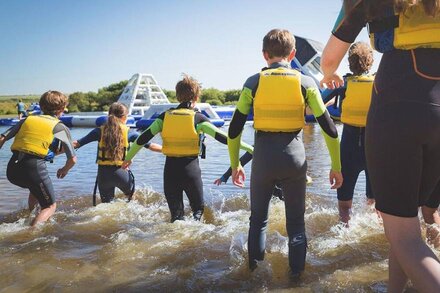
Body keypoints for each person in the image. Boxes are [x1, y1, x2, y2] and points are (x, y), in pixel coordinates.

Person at [320, 0, 440, 291]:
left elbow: (329, 60)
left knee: (403, 236)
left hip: (398, 99)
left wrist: (329, 74)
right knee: (404, 224)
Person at [228, 29, 342, 278]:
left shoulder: (253, 82)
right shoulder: (306, 82)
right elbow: (330, 130)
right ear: (293, 54)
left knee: (258, 221)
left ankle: (254, 276)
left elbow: (234, 130)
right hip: (295, 158)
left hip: (263, 160)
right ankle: (297, 278)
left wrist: (235, 164)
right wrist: (336, 165)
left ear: (264, 55)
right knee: (297, 224)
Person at [122, 75, 253, 222]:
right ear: (196, 97)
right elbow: (226, 139)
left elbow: (142, 138)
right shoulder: (198, 118)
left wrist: (128, 158)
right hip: (191, 171)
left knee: (176, 217)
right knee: (198, 211)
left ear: (178, 96)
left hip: (170, 171)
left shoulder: (164, 117)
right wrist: (250, 148)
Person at [0, 91, 76, 226]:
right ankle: (30, 234)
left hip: (12, 170)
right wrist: (65, 169)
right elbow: (72, 160)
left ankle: (32, 217)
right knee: (50, 206)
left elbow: (2, 138)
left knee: (35, 189)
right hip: (33, 169)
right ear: (61, 109)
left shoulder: (27, 120)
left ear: (41, 106)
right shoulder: (60, 127)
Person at [73, 102, 162, 204]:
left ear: (108, 115)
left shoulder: (98, 131)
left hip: (103, 175)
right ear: (125, 117)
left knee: (106, 205)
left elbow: (76, 143)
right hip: (122, 173)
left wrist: (56, 149)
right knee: (132, 199)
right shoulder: (130, 132)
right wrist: (168, 150)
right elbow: (151, 146)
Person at [330, 42, 376, 224]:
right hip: (374, 148)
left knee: (344, 208)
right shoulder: (378, 84)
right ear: (370, 62)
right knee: (374, 205)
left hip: (348, 148)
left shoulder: (343, 84)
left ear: (350, 63)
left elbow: (315, 105)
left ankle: (344, 232)